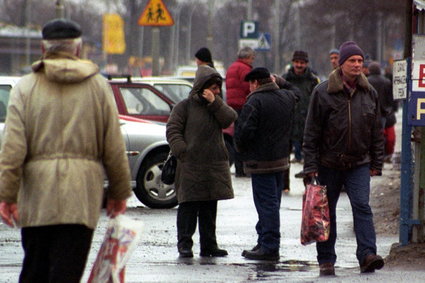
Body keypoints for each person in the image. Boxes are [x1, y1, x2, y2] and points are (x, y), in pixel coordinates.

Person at [0, 19, 132, 282]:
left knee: (35, 269)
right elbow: (113, 146)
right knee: (68, 271)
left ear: (42, 48)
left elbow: (12, 148)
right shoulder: (98, 87)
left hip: (37, 196)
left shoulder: (25, 88)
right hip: (81, 196)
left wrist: (7, 195)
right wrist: (119, 192)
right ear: (78, 49)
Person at [303, 41, 385, 276]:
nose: (358, 64)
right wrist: (310, 166)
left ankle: (368, 255)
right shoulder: (323, 92)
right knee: (327, 213)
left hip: (359, 163)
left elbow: (375, 131)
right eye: (352, 61)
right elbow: (311, 132)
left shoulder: (370, 93)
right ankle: (326, 259)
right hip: (328, 163)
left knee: (362, 206)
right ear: (341, 64)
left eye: (360, 61)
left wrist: (377, 162)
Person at [166, 65, 237, 258]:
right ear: (201, 87)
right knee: (188, 206)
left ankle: (209, 245)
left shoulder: (216, 105)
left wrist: (215, 103)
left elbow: (230, 118)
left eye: (217, 87)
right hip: (190, 164)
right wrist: (183, 151)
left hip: (213, 165)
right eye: (212, 87)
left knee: (209, 208)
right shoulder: (184, 106)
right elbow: (173, 130)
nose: (216, 91)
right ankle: (185, 244)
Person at [234, 67, 297, 261]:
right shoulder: (286, 97)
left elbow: (244, 131)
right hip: (280, 161)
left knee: (265, 205)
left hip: (260, 163)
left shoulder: (255, 101)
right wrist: (281, 81)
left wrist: (242, 151)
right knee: (272, 204)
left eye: (250, 84)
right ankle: (263, 241)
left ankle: (269, 246)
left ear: (255, 83)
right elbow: (298, 92)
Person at [283, 50, 319, 177]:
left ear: (307, 64)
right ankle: (283, 186)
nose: (299, 65)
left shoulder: (313, 81)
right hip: (288, 123)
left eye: (302, 63)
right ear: (292, 63)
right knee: (283, 158)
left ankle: (309, 189)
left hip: (307, 123)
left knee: (309, 158)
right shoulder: (284, 80)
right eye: (297, 62)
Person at [226, 46, 255, 177]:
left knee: (237, 137)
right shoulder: (245, 69)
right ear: (247, 58)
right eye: (252, 58)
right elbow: (248, 87)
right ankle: (243, 168)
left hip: (232, 105)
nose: (252, 61)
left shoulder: (232, 67)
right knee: (244, 138)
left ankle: (239, 168)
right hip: (243, 105)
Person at [368, 61, 396, 162]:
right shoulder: (386, 82)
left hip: (370, 112)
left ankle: (373, 155)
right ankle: (382, 155)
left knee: (371, 135)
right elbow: (391, 99)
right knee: (382, 135)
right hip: (384, 113)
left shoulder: (366, 82)